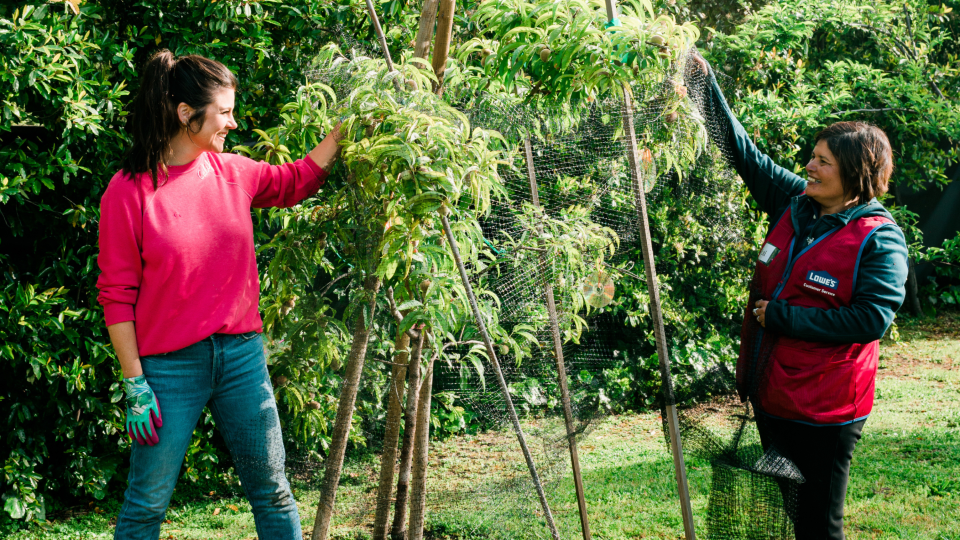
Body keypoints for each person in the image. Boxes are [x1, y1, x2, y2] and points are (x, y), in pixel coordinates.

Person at [96, 50, 341, 540]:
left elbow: (296, 179)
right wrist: (135, 385)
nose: (232, 122)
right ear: (186, 113)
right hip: (168, 371)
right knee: (146, 505)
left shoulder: (235, 172)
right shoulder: (128, 192)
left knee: (273, 490)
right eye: (224, 111)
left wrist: (344, 130)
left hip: (242, 361)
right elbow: (116, 296)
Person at [690, 55, 909, 539]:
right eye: (812, 156)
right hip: (774, 396)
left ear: (855, 176)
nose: (808, 166)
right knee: (794, 515)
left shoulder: (879, 240)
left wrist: (784, 317)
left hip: (825, 411)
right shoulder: (796, 204)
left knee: (817, 524)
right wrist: (702, 82)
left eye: (822, 161)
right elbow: (744, 154)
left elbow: (870, 320)